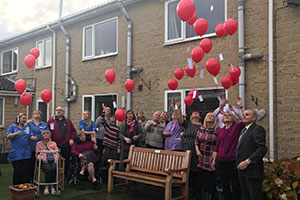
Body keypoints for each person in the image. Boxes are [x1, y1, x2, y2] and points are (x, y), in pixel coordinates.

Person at [214, 99, 244, 200]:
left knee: (235, 184)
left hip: (233, 160)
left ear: (233, 118)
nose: (227, 116)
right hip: (221, 161)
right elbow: (217, 146)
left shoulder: (237, 127)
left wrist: (238, 107)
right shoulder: (220, 130)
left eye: (229, 115)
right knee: (224, 184)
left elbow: (244, 118)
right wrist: (214, 160)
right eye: (225, 115)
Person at [174, 100, 202, 200]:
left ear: (199, 116)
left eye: (197, 113)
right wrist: (179, 108)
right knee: (188, 171)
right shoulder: (188, 125)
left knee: (197, 173)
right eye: (193, 113)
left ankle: (197, 193)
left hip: (198, 152)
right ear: (190, 117)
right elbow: (179, 119)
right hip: (187, 151)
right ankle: (188, 192)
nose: (195, 113)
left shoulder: (203, 126)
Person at [236, 110, 267, 200]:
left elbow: (262, 149)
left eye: (247, 115)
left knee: (255, 196)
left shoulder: (257, 129)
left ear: (254, 118)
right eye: (243, 115)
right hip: (242, 170)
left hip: (252, 171)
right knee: (245, 196)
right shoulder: (243, 131)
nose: (244, 116)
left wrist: (248, 161)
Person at [6, 113, 37, 185]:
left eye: (25, 118)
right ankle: (16, 186)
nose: (24, 120)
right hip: (16, 152)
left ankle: (25, 186)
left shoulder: (27, 127)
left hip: (26, 152)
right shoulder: (12, 127)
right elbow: (8, 136)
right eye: (23, 118)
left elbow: (30, 135)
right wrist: (15, 133)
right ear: (18, 119)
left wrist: (33, 138)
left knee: (26, 170)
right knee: (17, 170)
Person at [47, 106, 76, 179]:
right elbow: (47, 132)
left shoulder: (67, 121)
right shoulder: (51, 121)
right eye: (57, 110)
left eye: (60, 110)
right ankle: (55, 176)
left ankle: (65, 176)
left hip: (66, 145)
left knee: (66, 161)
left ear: (63, 112)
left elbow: (73, 131)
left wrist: (71, 139)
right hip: (54, 145)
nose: (58, 111)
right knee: (55, 161)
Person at [195, 112, 218, 200]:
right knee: (201, 178)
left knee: (211, 179)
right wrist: (197, 151)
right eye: (208, 115)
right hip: (201, 156)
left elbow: (218, 144)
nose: (210, 117)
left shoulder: (217, 129)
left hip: (211, 156)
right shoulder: (201, 128)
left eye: (212, 116)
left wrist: (214, 160)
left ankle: (212, 196)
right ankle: (200, 196)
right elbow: (196, 141)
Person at [27, 110, 49, 183]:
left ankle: (44, 182)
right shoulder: (29, 123)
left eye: (38, 113)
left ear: (40, 115)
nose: (37, 114)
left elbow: (48, 134)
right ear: (32, 115)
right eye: (35, 113)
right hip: (32, 147)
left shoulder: (44, 124)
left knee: (43, 164)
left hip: (42, 147)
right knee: (31, 165)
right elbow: (25, 131)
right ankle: (31, 181)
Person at [36, 130, 58, 195]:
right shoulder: (39, 144)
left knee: (53, 168)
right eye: (44, 134)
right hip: (44, 162)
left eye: (47, 133)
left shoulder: (53, 143)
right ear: (42, 136)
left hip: (53, 161)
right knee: (49, 169)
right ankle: (47, 186)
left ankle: (51, 186)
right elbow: (37, 154)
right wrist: (43, 159)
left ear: (50, 135)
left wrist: (55, 160)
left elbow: (57, 153)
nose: (46, 135)